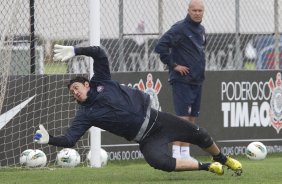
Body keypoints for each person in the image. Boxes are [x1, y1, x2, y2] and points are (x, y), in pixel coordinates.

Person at [33, 44, 242, 176]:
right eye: (72, 93)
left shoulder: (101, 80)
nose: (75, 93)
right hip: (146, 138)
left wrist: (76, 51)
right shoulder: (84, 114)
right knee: (160, 163)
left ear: (86, 84)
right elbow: (70, 140)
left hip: (158, 120)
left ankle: (222, 159)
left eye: (76, 88)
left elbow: (100, 53)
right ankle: (207, 167)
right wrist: (49, 139)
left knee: (201, 135)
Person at [155, 0, 206, 160]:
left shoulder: (202, 30)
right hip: (182, 80)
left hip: (197, 81)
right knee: (182, 118)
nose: (197, 13)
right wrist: (174, 65)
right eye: (194, 10)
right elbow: (160, 46)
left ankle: (186, 154)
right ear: (188, 10)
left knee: (191, 119)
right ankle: (177, 154)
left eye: (200, 10)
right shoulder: (180, 28)